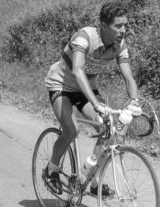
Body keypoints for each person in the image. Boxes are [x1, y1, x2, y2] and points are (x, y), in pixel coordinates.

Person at [43, 2, 142, 196]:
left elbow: (128, 77)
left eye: (125, 25)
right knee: (72, 130)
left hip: (86, 89)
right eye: (118, 26)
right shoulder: (85, 37)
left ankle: (92, 180)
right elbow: (78, 69)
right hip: (61, 85)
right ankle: (51, 170)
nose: (123, 30)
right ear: (104, 25)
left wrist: (134, 100)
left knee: (108, 128)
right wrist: (96, 104)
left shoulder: (120, 45)